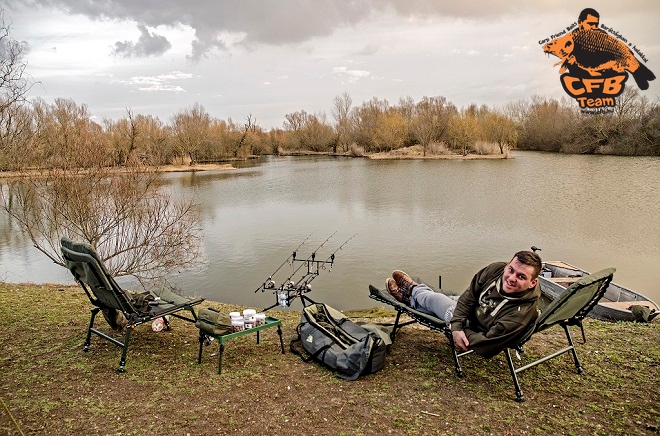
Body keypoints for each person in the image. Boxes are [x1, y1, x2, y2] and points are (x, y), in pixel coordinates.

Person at [386, 251, 542, 359]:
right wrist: (458, 321)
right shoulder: (496, 270)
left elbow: (487, 346)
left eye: (521, 276)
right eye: (511, 270)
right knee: (445, 298)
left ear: (532, 283)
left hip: (474, 327)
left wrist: (458, 327)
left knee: (436, 300)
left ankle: (413, 289)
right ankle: (411, 300)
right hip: (474, 308)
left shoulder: (519, 314)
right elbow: (470, 295)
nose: (511, 278)